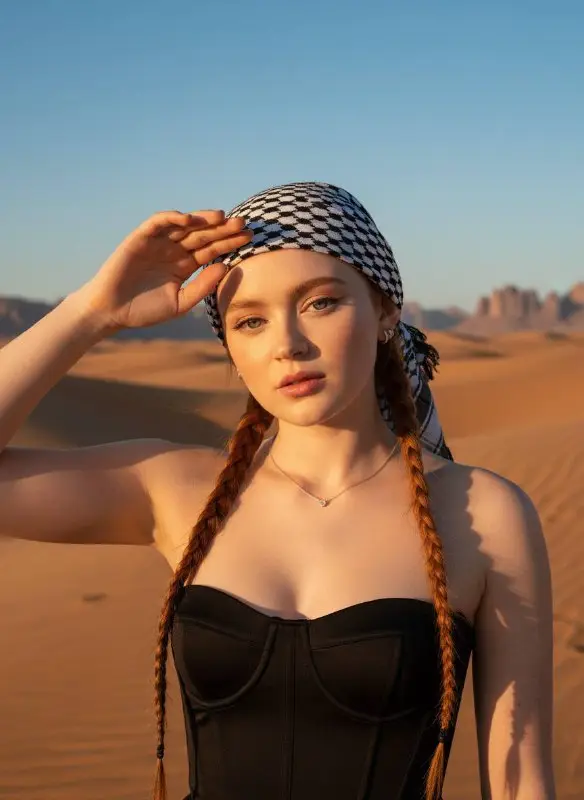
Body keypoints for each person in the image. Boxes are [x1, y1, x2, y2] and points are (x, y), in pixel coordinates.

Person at [0, 181, 555, 800]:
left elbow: (521, 782)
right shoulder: (178, 491)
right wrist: (91, 313)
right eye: (251, 320)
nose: (287, 344)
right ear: (232, 351)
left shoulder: (484, 513)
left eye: (320, 302)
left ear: (386, 313)